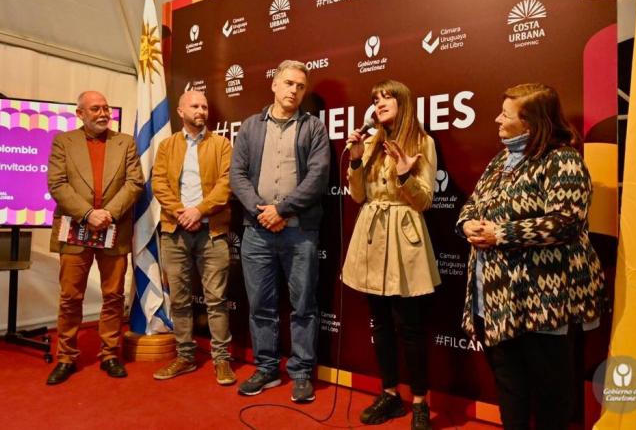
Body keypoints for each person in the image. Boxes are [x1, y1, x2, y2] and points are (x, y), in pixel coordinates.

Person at [457, 83, 605, 430]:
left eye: (506, 115)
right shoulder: (499, 161)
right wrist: (467, 226)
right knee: (511, 391)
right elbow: (472, 205)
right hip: (496, 302)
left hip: (543, 303)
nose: (497, 119)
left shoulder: (562, 160)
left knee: (551, 397)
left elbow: (566, 222)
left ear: (531, 124)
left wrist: (501, 234)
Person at [342, 80, 440, 430]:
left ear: (403, 101)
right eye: (375, 98)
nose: (379, 103)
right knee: (380, 324)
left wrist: (404, 175)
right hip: (371, 234)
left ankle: (419, 402)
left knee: (410, 327)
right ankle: (389, 394)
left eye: (387, 97)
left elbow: (425, 200)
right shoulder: (369, 142)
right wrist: (355, 162)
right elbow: (357, 197)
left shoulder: (422, 142)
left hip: (405, 236)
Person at [230, 60, 330, 403]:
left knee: (303, 305)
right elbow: (237, 176)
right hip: (257, 232)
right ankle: (267, 368)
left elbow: (318, 178)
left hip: (299, 231)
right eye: (288, 83)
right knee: (260, 305)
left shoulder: (314, 128)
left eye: (300, 86)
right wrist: (263, 212)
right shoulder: (250, 127)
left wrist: (282, 210)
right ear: (274, 85)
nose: (294, 91)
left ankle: (301, 372)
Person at [46, 91, 144, 385]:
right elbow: (57, 184)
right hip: (76, 227)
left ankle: (110, 354)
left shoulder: (124, 141)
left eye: (106, 109)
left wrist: (108, 214)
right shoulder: (63, 141)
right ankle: (66, 357)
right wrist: (88, 213)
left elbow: (135, 182)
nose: (103, 114)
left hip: (114, 227)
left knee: (113, 296)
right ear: (80, 113)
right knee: (70, 297)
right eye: (95, 109)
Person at [151, 90, 235, 385]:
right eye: (195, 105)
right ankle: (185, 356)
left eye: (204, 105)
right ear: (180, 111)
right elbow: (159, 182)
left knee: (216, 299)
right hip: (175, 231)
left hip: (212, 231)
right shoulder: (167, 146)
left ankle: (221, 359)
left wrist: (198, 211)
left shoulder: (222, 144)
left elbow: (227, 184)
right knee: (180, 299)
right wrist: (180, 212)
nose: (201, 110)